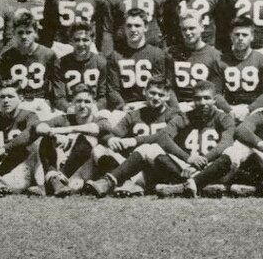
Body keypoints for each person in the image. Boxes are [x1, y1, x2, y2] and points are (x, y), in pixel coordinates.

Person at [88, 81, 234, 198]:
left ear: (215, 100)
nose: (202, 102)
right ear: (192, 100)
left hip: (211, 167)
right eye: (198, 98)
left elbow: (226, 142)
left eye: (207, 98)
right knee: (148, 149)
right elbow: (162, 136)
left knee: (232, 153)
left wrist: (204, 159)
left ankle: (191, 185)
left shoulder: (224, 118)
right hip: (186, 169)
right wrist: (188, 159)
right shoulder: (185, 116)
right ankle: (108, 182)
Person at [91, 77, 180, 197]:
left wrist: (133, 141)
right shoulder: (135, 114)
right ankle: (127, 182)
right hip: (134, 164)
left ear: (168, 97)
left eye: (161, 95)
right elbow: (111, 133)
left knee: (148, 148)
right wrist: (111, 139)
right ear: (145, 92)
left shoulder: (174, 115)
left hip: (160, 163)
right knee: (99, 150)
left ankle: (117, 182)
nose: (156, 97)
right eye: (152, 93)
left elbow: (164, 139)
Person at [103, 8, 170, 123]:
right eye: (129, 26)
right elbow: (113, 89)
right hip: (126, 106)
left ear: (146, 27)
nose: (133, 30)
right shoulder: (115, 55)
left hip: (151, 104)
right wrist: (122, 105)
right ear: (124, 28)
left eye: (137, 25)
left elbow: (161, 86)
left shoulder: (157, 54)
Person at [34, 83, 101, 196]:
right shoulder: (65, 119)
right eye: (78, 101)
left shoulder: (99, 118)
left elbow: (95, 129)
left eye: (87, 101)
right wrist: (53, 134)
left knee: (88, 138)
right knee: (46, 138)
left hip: (83, 170)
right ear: (72, 103)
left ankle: (54, 182)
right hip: (62, 166)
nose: (82, 105)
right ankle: (53, 179)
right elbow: (39, 126)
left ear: (94, 103)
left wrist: (61, 131)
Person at [0, 11, 58, 121]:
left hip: (40, 101)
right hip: (17, 102)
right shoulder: (6, 56)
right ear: (13, 33)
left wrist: (52, 105)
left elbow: (56, 86)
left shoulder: (48, 54)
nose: (24, 36)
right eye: (20, 32)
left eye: (28, 32)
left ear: (35, 33)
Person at [218, 15, 263, 121]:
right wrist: (229, 109)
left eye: (244, 35)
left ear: (252, 37)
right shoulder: (221, 61)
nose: (240, 38)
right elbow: (216, 92)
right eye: (237, 34)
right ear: (231, 36)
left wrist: (249, 109)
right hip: (230, 109)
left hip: (255, 109)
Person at [165, 12, 227, 111]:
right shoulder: (171, 53)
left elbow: (216, 92)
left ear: (202, 27)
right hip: (178, 107)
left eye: (192, 28)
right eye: (184, 29)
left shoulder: (214, 56)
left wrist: (197, 105)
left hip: (204, 106)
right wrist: (177, 107)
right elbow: (168, 87)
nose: (188, 33)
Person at [52, 22, 109, 113]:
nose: (81, 44)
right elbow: (59, 97)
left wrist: (96, 107)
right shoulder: (60, 64)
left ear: (92, 40)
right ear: (71, 41)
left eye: (85, 40)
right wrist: (68, 108)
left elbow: (104, 96)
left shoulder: (101, 62)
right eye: (77, 40)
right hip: (70, 107)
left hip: (93, 107)